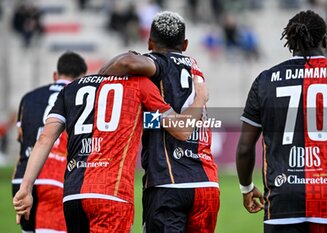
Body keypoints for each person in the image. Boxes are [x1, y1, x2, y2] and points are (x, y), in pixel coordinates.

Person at [13, 52, 209, 233]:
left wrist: (26, 187)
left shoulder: (72, 88)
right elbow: (182, 129)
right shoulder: (139, 84)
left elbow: (44, 139)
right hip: (111, 195)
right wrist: (200, 97)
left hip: (72, 197)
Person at [100, 11, 220, 233]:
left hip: (169, 182)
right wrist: (150, 121)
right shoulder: (195, 67)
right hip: (207, 183)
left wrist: (97, 81)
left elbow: (127, 63)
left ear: (150, 42)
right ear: (185, 44)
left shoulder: (159, 63)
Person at [236, 10, 327, 233]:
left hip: (281, 204)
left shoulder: (265, 81)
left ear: (289, 43)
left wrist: (246, 187)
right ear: (325, 41)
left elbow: (244, 148)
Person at [12, 52, 87, 233]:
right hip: (56, 178)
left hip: (23, 177)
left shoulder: (28, 97)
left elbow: (21, 136)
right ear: (83, 77)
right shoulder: (80, 97)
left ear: (55, 75)